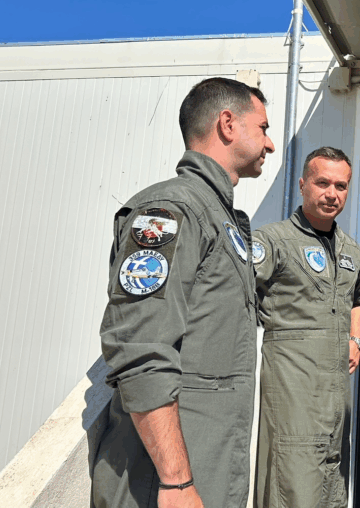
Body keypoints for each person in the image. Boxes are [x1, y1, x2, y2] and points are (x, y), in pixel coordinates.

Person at [92, 77, 275, 508]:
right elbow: (141, 348)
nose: (269, 144)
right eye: (263, 128)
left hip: (207, 466)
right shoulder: (173, 211)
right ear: (227, 124)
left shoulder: (219, 216)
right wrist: (176, 482)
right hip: (166, 484)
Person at [252, 147, 360, 508]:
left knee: (333, 488)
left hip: (336, 397)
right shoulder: (273, 241)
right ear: (303, 184)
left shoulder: (350, 249)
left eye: (341, 186)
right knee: (293, 485)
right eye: (322, 183)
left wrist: (356, 340)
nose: (332, 194)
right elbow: (233, 292)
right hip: (293, 390)